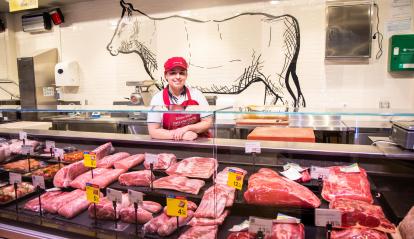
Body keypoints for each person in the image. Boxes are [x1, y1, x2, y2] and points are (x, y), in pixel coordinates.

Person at [147, 57, 213, 141]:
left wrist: (187, 128)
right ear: (165, 75)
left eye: (181, 73)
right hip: (172, 145)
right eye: (173, 73)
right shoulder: (157, 99)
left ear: (186, 75)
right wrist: (181, 135)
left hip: (200, 142)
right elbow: (153, 131)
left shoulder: (197, 94)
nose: (178, 77)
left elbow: (207, 122)